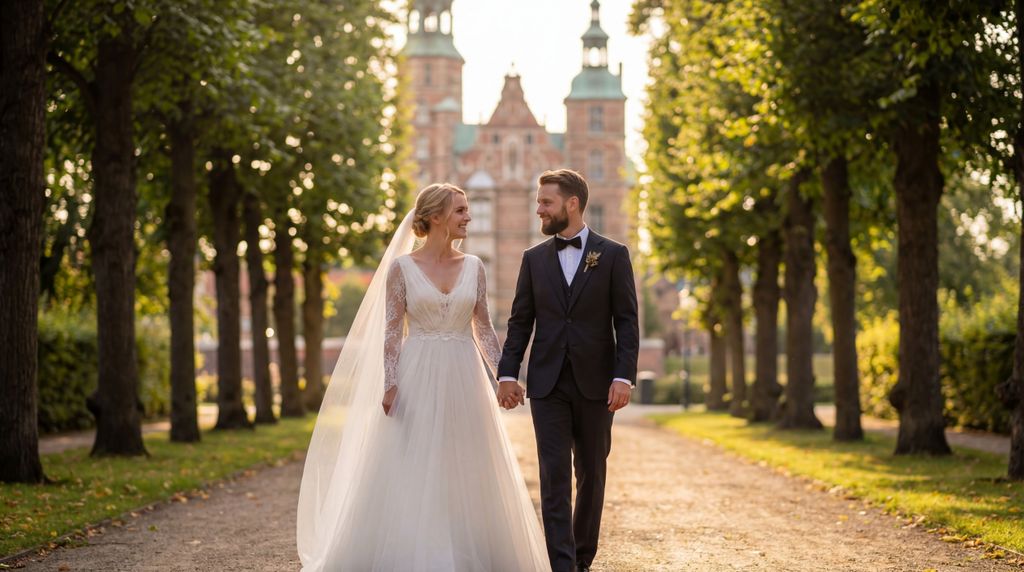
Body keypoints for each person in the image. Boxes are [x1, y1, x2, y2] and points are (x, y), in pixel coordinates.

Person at [296, 183, 550, 571]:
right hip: (417, 373)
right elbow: (391, 331)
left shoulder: (475, 266)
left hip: (464, 375)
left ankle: (467, 551)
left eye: (467, 210)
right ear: (435, 217)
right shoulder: (401, 268)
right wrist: (390, 382)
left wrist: (505, 376)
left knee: (466, 461)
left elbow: (482, 328)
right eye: (460, 211)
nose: (469, 217)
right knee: (412, 460)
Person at [497, 169, 640, 572]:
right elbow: (520, 321)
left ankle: (581, 558)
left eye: (546, 202)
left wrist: (623, 375)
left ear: (571, 204)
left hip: (598, 384)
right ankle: (561, 565)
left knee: (592, 474)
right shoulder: (533, 259)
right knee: (553, 476)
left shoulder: (613, 255)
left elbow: (626, 321)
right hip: (547, 385)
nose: (538, 209)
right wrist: (508, 372)